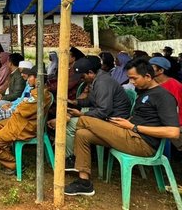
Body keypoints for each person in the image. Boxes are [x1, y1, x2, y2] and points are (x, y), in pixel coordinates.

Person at [64, 58, 180, 197]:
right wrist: (124, 123)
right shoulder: (144, 92)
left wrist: (133, 126)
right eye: (130, 78)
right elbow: (142, 117)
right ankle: (84, 183)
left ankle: (70, 153)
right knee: (83, 134)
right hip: (129, 134)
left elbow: (173, 132)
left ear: (148, 76)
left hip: (142, 143)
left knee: (84, 119)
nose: (131, 82)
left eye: (134, 78)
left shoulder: (163, 97)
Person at [63, 55, 131, 171]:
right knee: (77, 123)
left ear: (90, 72)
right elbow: (92, 100)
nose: (81, 79)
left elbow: (103, 111)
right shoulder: (97, 79)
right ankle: (78, 157)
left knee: (70, 125)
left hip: (115, 121)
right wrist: (74, 102)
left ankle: (71, 158)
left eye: (82, 76)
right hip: (107, 116)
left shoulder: (102, 83)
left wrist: (81, 115)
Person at [0, 77, 52, 175]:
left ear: (37, 79)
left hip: (21, 128)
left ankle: (15, 164)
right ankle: (7, 154)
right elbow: (21, 105)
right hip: (19, 123)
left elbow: (22, 109)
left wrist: (18, 106)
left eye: (30, 77)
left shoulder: (39, 96)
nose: (28, 79)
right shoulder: (38, 92)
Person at [0, 65, 38, 130]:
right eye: (21, 72)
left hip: (20, 112)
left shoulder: (32, 89)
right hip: (16, 106)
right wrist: (11, 104)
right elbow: (21, 99)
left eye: (29, 76)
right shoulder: (28, 85)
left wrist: (11, 107)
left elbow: (23, 102)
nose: (22, 74)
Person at [149, 56, 182, 150]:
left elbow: (176, 109)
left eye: (151, 67)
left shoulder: (174, 85)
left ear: (161, 70)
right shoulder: (152, 82)